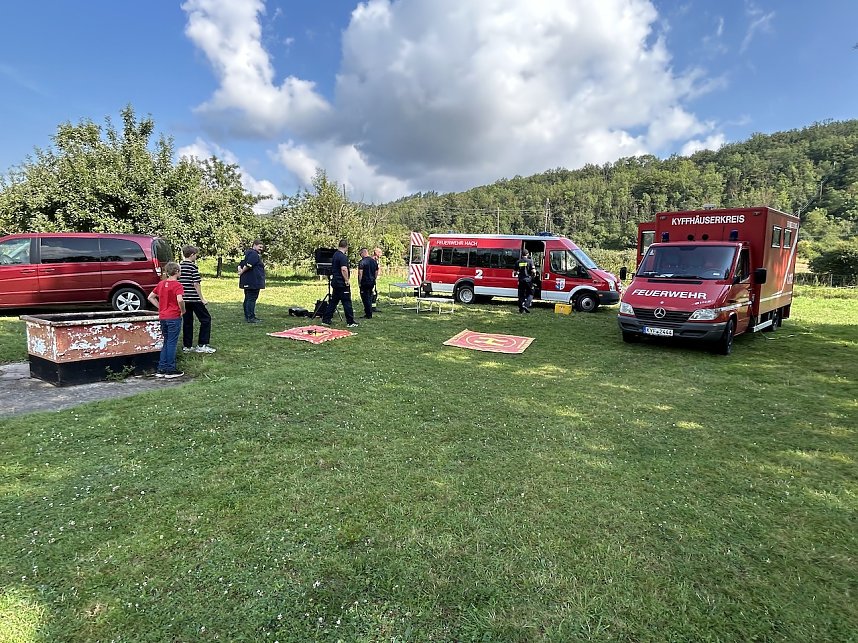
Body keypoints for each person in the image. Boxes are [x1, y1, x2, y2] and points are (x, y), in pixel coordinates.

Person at [147, 261, 186, 378]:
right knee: (172, 343)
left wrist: (160, 307)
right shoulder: (178, 285)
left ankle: (161, 368)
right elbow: (180, 299)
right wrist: (183, 310)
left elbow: (150, 297)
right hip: (174, 316)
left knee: (166, 341)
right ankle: (170, 369)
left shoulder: (161, 284)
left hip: (163, 316)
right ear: (177, 272)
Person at [179, 245, 215, 353]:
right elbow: (196, 284)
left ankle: (187, 346)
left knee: (187, 321)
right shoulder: (193, 267)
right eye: (196, 255)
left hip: (184, 299)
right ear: (192, 255)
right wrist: (202, 298)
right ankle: (202, 344)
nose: (196, 257)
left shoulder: (179, 267)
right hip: (194, 298)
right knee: (206, 319)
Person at [322, 239, 358, 328]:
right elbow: (344, 269)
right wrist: (346, 280)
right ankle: (350, 322)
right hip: (342, 283)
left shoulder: (335, 255)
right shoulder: (343, 257)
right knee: (347, 302)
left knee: (333, 302)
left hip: (335, 282)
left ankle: (326, 320)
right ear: (346, 247)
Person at [238, 240, 266, 323]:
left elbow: (241, 264)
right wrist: (241, 272)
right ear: (254, 245)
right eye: (259, 247)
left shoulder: (247, 253)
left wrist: (239, 270)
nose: (261, 249)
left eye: (262, 247)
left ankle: (248, 316)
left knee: (247, 298)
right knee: (251, 299)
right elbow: (248, 265)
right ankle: (251, 317)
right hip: (253, 281)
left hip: (247, 281)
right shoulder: (254, 254)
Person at [357, 247, 379, 319]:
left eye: (360, 254)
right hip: (372, 282)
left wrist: (359, 282)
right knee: (369, 296)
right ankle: (369, 312)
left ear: (363, 253)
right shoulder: (373, 261)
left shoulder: (362, 262)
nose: (360, 256)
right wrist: (374, 279)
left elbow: (360, 273)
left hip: (364, 282)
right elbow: (376, 272)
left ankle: (368, 314)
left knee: (365, 298)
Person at [517, 249, 537, 313]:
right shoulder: (530, 261)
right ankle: (526, 305)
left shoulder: (518, 262)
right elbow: (533, 271)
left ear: (522, 254)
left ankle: (521, 307)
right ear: (527, 254)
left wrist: (519, 273)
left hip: (521, 280)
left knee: (521, 294)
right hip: (528, 280)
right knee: (531, 293)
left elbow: (515, 272)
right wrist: (534, 275)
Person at [371, 247, 383, 311]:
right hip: (372, 278)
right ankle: (371, 307)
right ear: (376, 253)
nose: (381, 254)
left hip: (374, 278)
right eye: (380, 253)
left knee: (375, 293)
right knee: (373, 293)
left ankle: (373, 307)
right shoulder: (373, 260)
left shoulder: (377, 259)